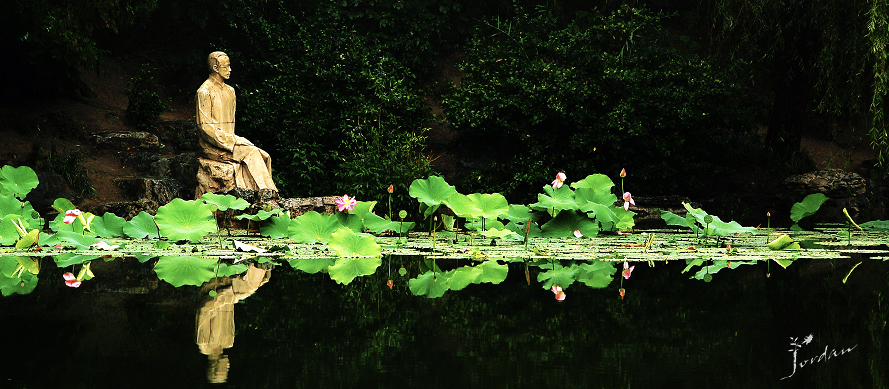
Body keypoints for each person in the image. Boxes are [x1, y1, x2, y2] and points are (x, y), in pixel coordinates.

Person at [195, 51, 278, 198]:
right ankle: (267, 195)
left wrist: (234, 140)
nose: (230, 70)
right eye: (226, 67)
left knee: (264, 155)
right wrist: (233, 141)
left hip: (229, 143)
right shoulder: (204, 91)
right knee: (252, 153)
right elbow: (205, 127)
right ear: (215, 68)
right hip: (212, 146)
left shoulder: (230, 91)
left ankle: (265, 193)